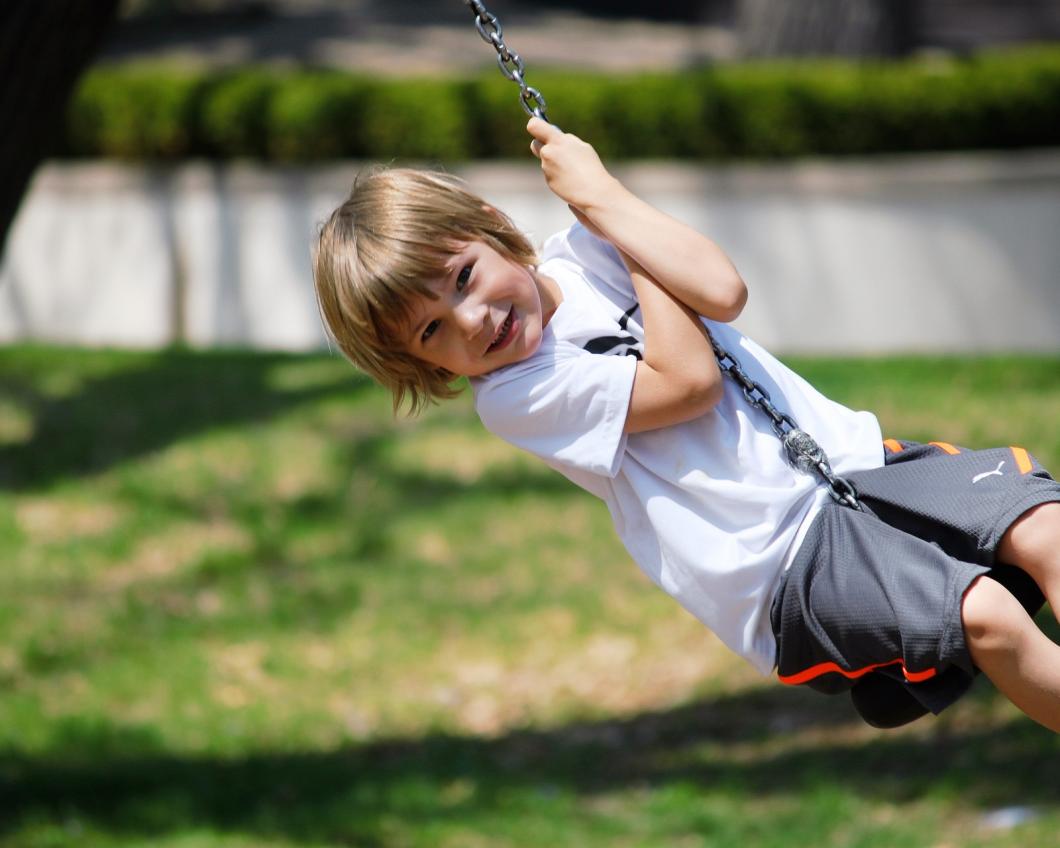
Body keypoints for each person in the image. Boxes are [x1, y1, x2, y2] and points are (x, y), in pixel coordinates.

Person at [313, 117, 1060, 732]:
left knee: (1044, 528)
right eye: (432, 332)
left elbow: (722, 290)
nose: (472, 322)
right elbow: (690, 382)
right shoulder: (517, 394)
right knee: (984, 613)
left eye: (465, 278)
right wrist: (617, 229)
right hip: (780, 563)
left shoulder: (584, 251)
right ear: (426, 366)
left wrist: (605, 201)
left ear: (492, 227)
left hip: (860, 466)